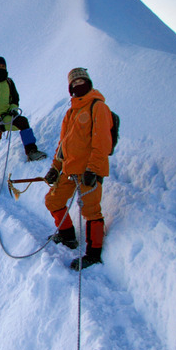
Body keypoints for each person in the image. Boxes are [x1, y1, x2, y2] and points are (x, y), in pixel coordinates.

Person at [43, 67, 113, 270]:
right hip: (69, 170)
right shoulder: (71, 111)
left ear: (88, 83)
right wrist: (56, 168)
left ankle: (93, 254)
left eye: (81, 81)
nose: (78, 85)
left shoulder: (98, 107)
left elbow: (102, 143)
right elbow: (62, 145)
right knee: (53, 200)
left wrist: (93, 169)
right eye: (74, 83)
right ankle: (67, 237)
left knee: (91, 211)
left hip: (90, 171)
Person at [0, 56, 47, 190]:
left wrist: (12, 110)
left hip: (4, 116)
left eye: (3, 66)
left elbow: (14, 101)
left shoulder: (9, 83)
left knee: (22, 122)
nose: (1, 68)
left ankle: (31, 151)